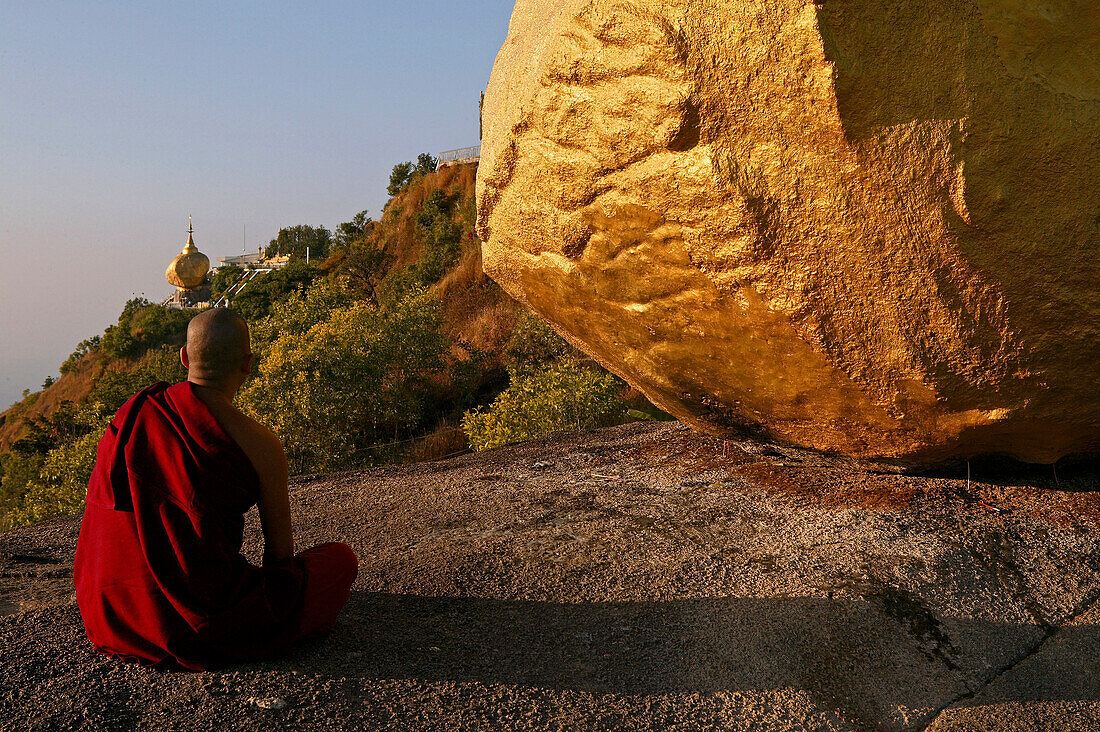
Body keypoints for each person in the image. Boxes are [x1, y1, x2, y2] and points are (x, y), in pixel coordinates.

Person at [74, 308, 358, 670]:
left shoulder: (136, 413)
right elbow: (279, 558)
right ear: (248, 364)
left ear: (184, 357)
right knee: (340, 560)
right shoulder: (262, 445)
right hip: (206, 623)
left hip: (113, 616)